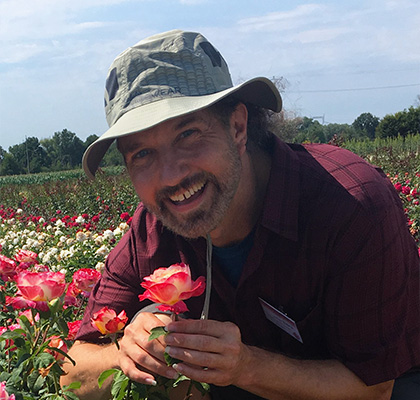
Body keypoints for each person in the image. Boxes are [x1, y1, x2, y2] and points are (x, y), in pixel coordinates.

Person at [61, 30, 420, 400]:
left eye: (188, 134)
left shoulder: (348, 204)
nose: (170, 176)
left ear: (237, 127)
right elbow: (73, 374)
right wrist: (126, 353)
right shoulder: (151, 228)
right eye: (142, 155)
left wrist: (247, 365)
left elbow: (375, 387)